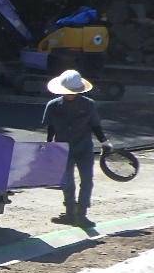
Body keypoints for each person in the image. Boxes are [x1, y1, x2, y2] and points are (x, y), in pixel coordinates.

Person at [43, 69, 111, 228]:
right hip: (63, 148)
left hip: (84, 148)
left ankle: (82, 214)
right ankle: (69, 213)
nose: (70, 95)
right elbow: (50, 127)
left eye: (73, 92)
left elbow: (95, 126)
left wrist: (104, 142)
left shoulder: (89, 105)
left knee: (87, 181)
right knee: (67, 182)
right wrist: (49, 144)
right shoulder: (53, 106)